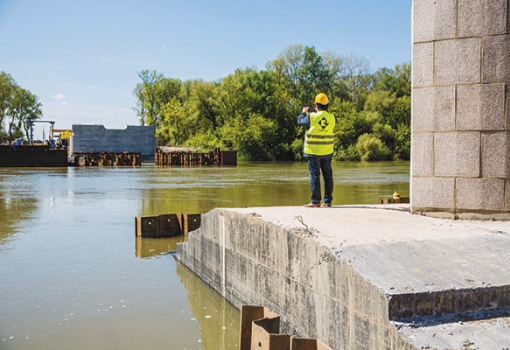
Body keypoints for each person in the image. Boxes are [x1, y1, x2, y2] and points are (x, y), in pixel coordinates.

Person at [297, 93, 336, 208]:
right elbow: (324, 120)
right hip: (327, 151)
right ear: (327, 105)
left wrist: (303, 112)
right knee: (328, 176)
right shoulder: (333, 117)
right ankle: (327, 201)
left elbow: (299, 121)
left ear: (316, 106)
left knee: (315, 176)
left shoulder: (311, 117)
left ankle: (315, 201)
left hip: (313, 151)